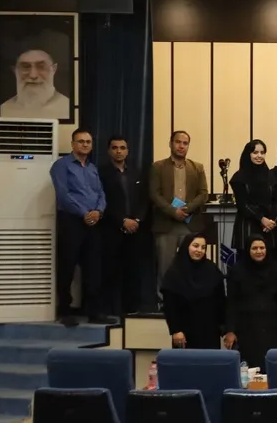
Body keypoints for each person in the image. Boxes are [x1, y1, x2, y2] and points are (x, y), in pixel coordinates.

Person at [51, 128, 107, 325]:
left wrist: (98, 211)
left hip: (93, 222)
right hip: (71, 221)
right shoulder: (61, 165)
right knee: (67, 266)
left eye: (88, 142)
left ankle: (93, 311)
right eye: (81, 141)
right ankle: (65, 311)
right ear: (73, 144)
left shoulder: (92, 168)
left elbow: (101, 193)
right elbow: (63, 195)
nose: (85, 144)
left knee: (93, 268)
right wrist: (84, 213)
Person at [150, 130, 209, 289]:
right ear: (170, 144)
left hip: (190, 224)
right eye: (178, 142)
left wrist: (187, 209)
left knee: (191, 264)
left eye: (185, 143)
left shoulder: (197, 167)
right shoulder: (158, 167)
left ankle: (190, 294)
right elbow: (154, 194)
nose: (181, 146)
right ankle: (163, 298)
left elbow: (203, 194)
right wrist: (172, 211)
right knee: (165, 266)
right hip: (166, 224)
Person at [98, 134, 146, 318]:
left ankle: (132, 309)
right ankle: (111, 310)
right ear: (108, 151)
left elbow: (144, 200)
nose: (119, 151)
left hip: (135, 230)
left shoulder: (136, 172)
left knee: (133, 271)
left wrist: (137, 220)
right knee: (111, 271)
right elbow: (102, 201)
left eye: (122, 148)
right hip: (111, 229)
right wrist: (122, 220)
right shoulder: (101, 173)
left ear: (128, 151)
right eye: (115, 148)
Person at [161, 233, 228, 350]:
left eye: (203, 247)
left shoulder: (211, 269)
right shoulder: (175, 272)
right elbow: (170, 306)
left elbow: (220, 300)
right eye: (195, 246)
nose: (199, 250)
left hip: (210, 332)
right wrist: (176, 330)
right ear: (186, 247)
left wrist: (223, 327)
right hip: (184, 334)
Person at [227, 236, 277, 369]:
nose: (259, 251)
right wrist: (230, 330)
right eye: (254, 248)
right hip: (246, 329)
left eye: (262, 248)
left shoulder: (276, 269)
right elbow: (231, 302)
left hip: (271, 328)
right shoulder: (237, 271)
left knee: (270, 367)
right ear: (248, 250)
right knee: (248, 368)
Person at [230, 140, 277, 253]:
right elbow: (243, 204)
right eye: (255, 152)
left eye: (262, 153)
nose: (259, 156)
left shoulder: (270, 175)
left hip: (267, 228)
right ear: (248, 154)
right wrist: (261, 219)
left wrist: (272, 220)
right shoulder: (239, 177)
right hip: (247, 226)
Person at [0, 47, 71, 120]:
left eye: (41, 67)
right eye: (25, 67)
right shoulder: (3, 110)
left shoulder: (68, 108)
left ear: (54, 69)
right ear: (15, 71)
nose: (33, 75)